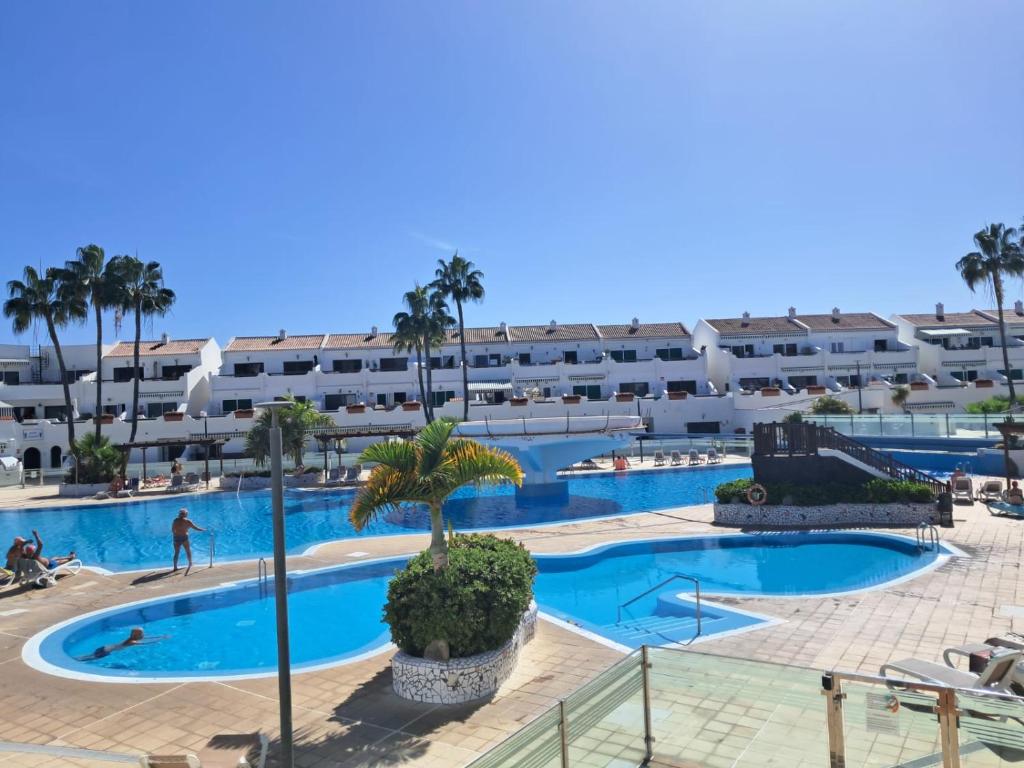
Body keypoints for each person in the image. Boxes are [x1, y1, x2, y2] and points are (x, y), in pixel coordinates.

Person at [76, 627, 168, 661]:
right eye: (142, 633)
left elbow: (148, 638)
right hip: (105, 651)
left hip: (105, 648)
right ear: (137, 635)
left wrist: (161, 637)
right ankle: (78, 660)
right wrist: (157, 642)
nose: (144, 635)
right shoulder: (132, 641)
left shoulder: (133, 638)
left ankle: (78, 657)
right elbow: (145, 643)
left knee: (90, 655)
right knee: (92, 658)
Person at [172, 508, 204, 572]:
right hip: (184, 537)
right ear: (185, 514)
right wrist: (202, 530)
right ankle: (190, 563)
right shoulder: (187, 521)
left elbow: (173, 529)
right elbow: (195, 528)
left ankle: (175, 567)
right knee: (188, 551)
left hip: (176, 537)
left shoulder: (175, 520)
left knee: (176, 553)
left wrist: (176, 535)